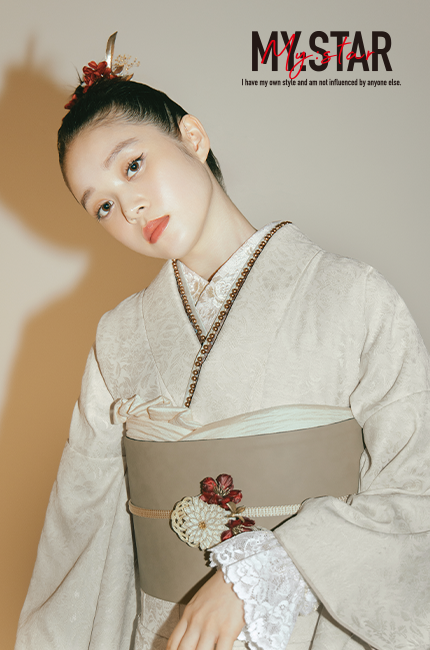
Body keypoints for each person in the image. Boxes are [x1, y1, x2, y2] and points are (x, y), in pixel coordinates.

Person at [15, 34, 430, 650]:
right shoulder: (118, 339)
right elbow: (81, 535)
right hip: (166, 633)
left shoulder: (351, 296)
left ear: (192, 137)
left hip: (318, 630)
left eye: (133, 166)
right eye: (101, 207)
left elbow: (417, 489)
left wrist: (266, 569)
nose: (130, 208)